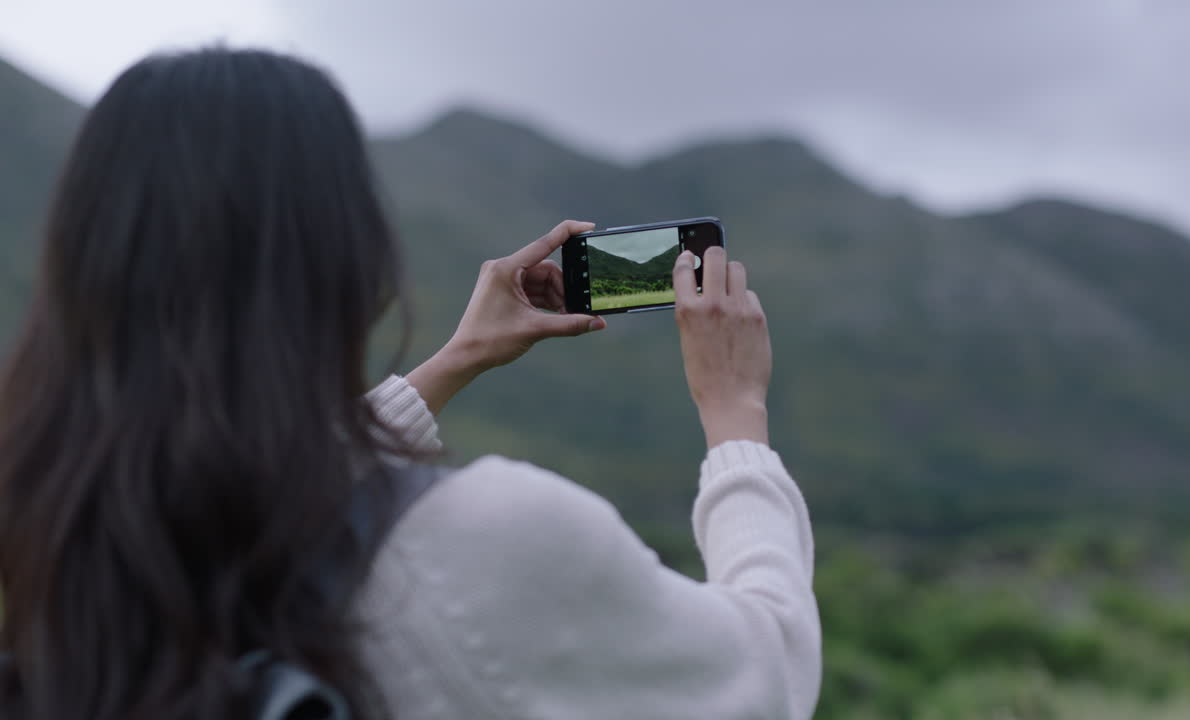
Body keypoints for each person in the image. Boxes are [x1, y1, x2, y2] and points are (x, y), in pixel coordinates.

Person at [0, 47, 820, 720]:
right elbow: (768, 678)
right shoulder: (495, 539)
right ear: (349, 257)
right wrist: (735, 414)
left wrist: (452, 363)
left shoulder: (57, 524)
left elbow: (264, 479)